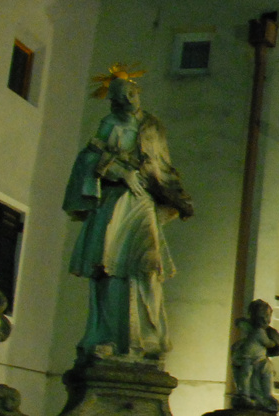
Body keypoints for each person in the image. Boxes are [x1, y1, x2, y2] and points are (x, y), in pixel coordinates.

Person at [64, 64, 193, 362]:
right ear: (113, 100)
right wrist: (119, 171)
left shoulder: (152, 127)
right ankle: (109, 337)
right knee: (109, 269)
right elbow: (88, 159)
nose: (129, 100)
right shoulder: (109, 124)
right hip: (114, 202)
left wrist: (177, 197)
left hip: (142, 201)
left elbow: (162, 166)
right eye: (121, 96)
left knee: (148, 268)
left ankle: (148, 338)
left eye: (132, 93)